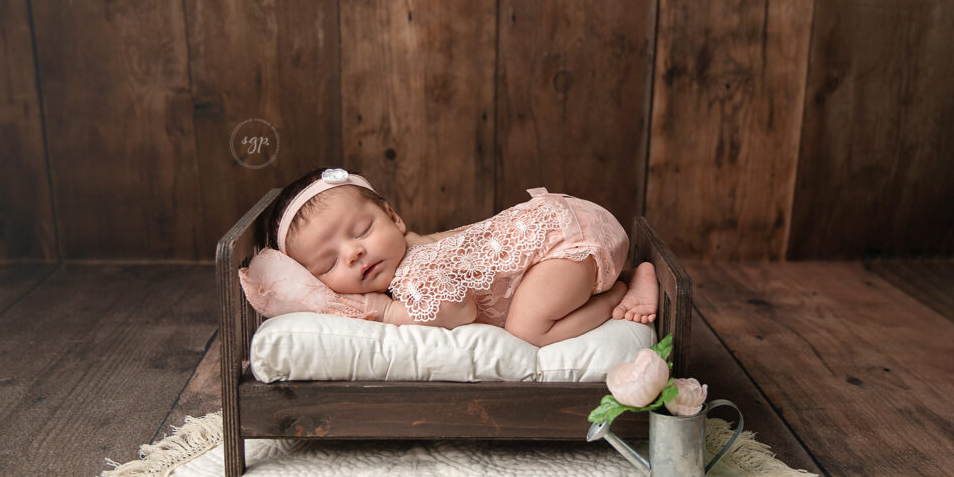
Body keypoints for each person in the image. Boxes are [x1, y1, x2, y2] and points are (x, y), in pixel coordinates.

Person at [240, 167, 658, 347]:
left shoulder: (412, 273)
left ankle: (620, 289)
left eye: (362, 231)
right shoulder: (423, 247)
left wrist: (387, 314)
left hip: (567, 237)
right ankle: (617, 277)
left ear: (394, 217)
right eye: (328, 265)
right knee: (535, 304)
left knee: (528, 331)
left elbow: (455, 310)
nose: (354, 253)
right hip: (569, 224)